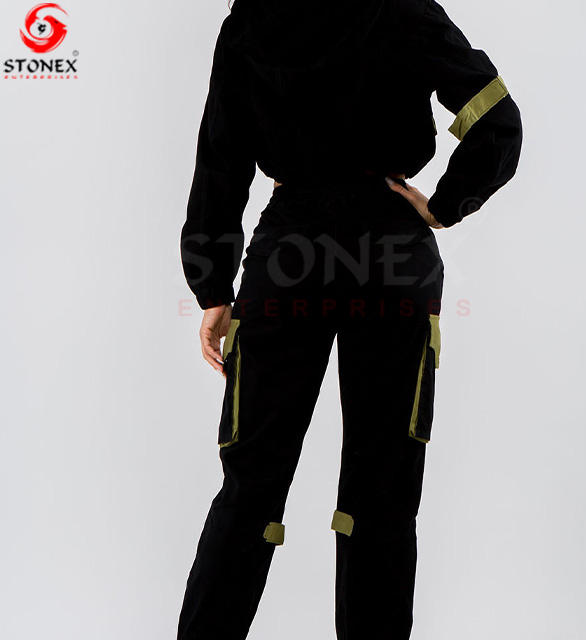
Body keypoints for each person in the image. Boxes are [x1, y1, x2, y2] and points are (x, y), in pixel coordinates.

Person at [177, 0, 522, 638]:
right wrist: (445, 205)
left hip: (289, 256)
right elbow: (497, 116)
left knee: (251, 481)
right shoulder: (404, 7)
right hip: (391, 252)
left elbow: (220, 156)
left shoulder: (252, 18)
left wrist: (212, 287)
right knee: (384, 485)